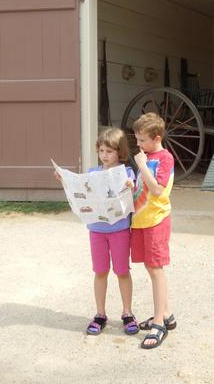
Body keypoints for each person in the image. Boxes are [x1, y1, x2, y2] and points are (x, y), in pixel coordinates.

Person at [55, 128, 139, 337]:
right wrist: (64, 180)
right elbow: (81, 192)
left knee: (122, 271)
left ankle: (127, 313)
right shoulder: (92, 173)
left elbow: (134, 189)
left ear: (120, 152)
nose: (104, 155)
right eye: (101, 150)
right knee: (100, 271)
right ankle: (100, 314)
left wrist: (131, 185)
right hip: (96, 230)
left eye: (109, 151)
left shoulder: (127, 172)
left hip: (119, 230)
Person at [131, 112, 177, 349]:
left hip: (156, 221)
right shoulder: (147, 156)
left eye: (141, 140)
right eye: (137, 140)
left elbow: (158, 190)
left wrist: (141, 165)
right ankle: (167, 315)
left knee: (156, 269)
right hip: (142, 220)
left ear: (156, 137)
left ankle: (159, 322)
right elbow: (144, 187)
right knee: (151, 267)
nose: (138, 145)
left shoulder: (164, 157)